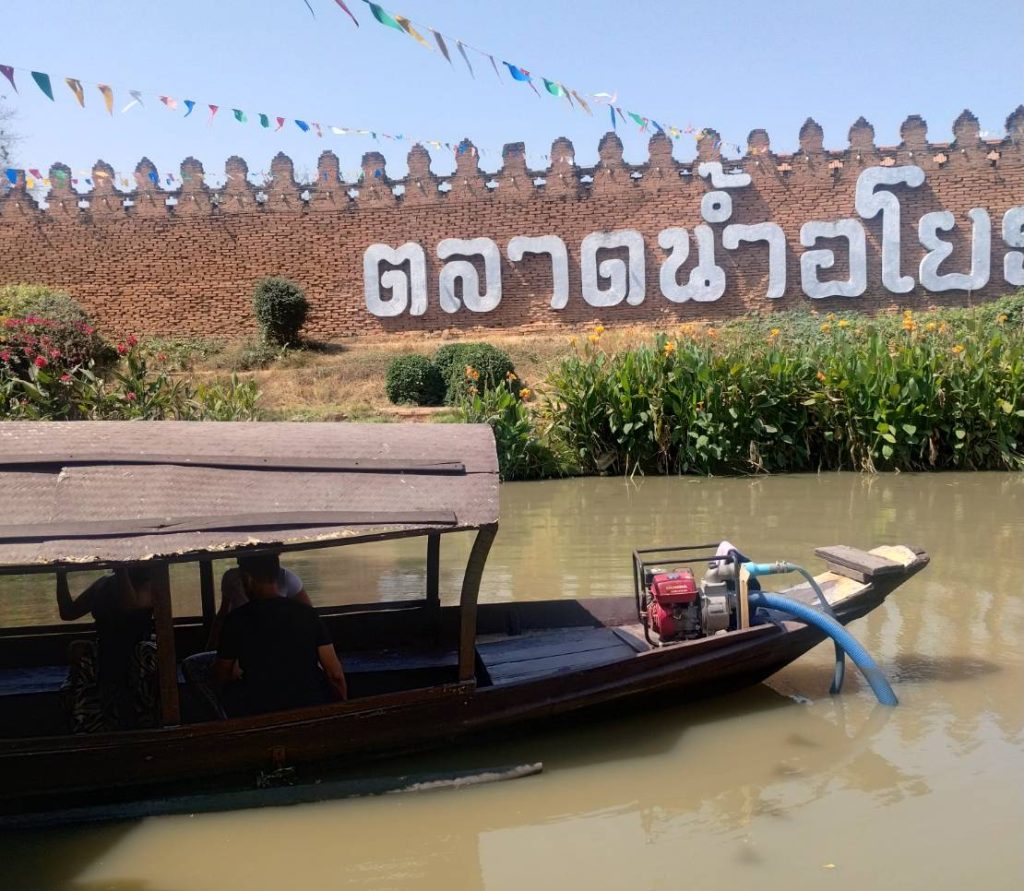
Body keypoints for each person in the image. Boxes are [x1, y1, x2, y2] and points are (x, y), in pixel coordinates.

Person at [213, 553, 347, 717]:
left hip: (261, 707)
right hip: (311, 703)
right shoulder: (307, 615)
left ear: (247, 579)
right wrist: (342, 710)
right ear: (278, 574)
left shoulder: (236, 620)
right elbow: (334, 673)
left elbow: (222, 673)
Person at [56, 566, 159, 733]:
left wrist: (121, 570)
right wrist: (61, 574)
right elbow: (68, 612)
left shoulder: (150, 585)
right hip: (105, 649)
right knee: (77, 649)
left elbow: (130, 606)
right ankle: (86, 724)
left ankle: (140, 720)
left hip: (137, 653)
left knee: (143, 653)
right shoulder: (103, 584)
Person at [206, 560, 312, 649]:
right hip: (244, 636)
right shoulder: (231, 578)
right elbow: (223, 614)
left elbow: (308, 614)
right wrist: (211, 645)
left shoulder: (287, 578)